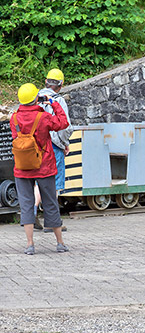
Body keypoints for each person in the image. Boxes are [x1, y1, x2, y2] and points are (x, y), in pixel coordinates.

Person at [10, 82, 70, 255]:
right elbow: (62, 123)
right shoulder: (43, 117)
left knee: (27, 204)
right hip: (44, 166)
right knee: (51, 202)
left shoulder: (14, 118)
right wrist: (53, 103)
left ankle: (29, 244)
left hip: (22, 167)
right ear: (36, 98)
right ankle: (60, 243)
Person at [34, 69, 73, 231]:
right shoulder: (58, 100)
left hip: (36, 145)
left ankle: (31, 212)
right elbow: (65, 126)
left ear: (46, 81)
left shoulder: (34, 99)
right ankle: (52, 221)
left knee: (38, 180)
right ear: (61, 84)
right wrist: (65, 144)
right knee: (54, 183)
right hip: (54, 145)